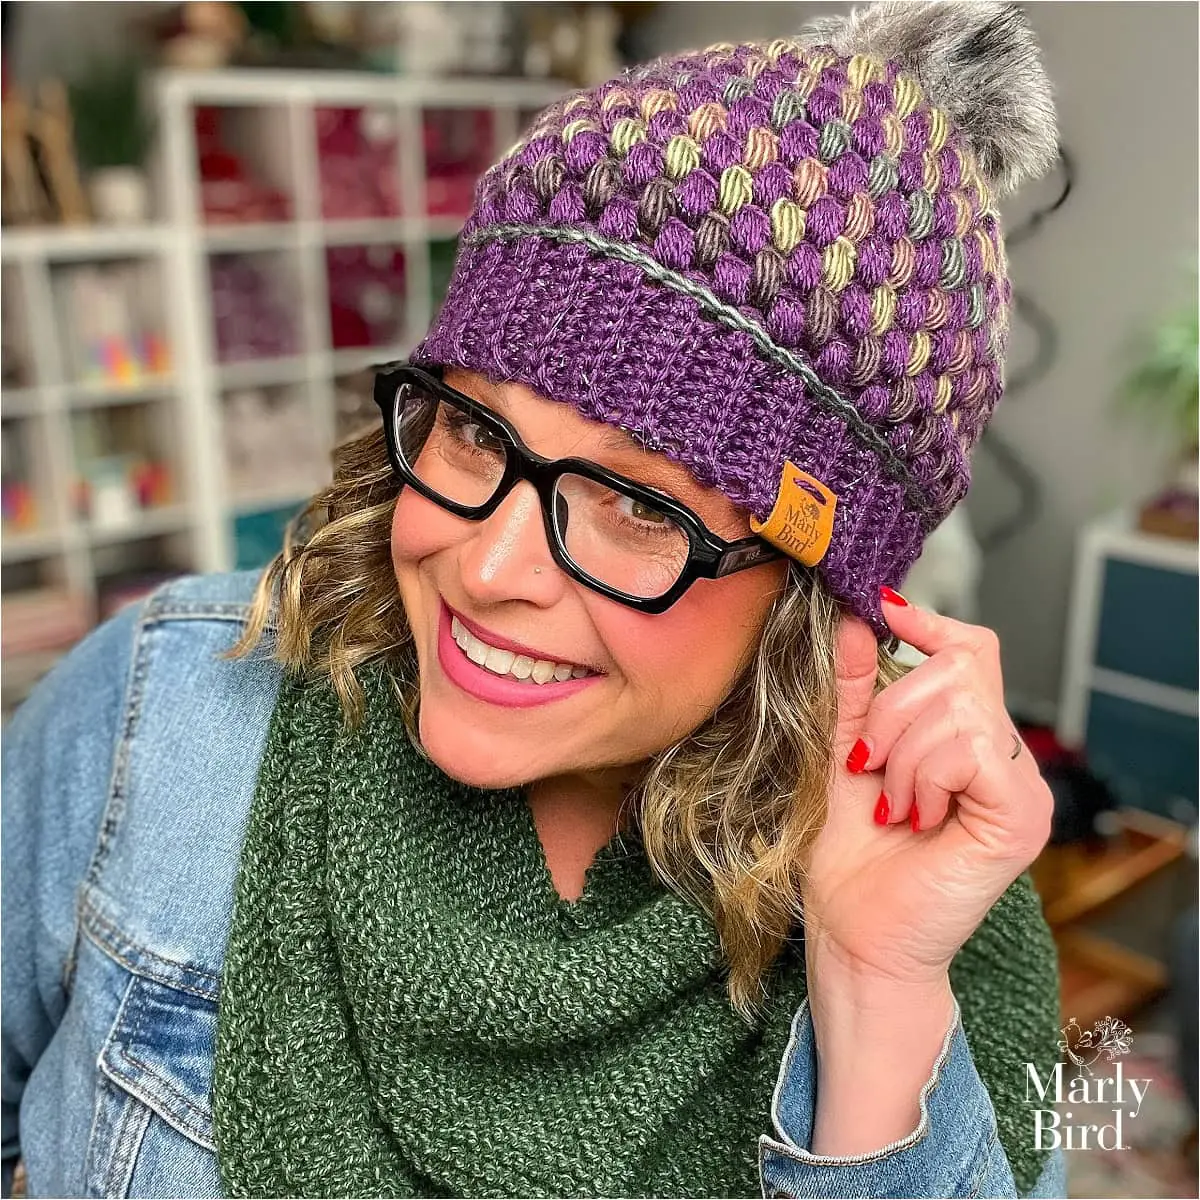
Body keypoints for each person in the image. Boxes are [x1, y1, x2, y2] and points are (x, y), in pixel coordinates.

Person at [2, 2, 1070, 1196]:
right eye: (472, 429)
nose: (488, 568)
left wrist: (874, 997)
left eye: (643, 507)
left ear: (815, 602)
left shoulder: (929, 911)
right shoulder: (160, 714)